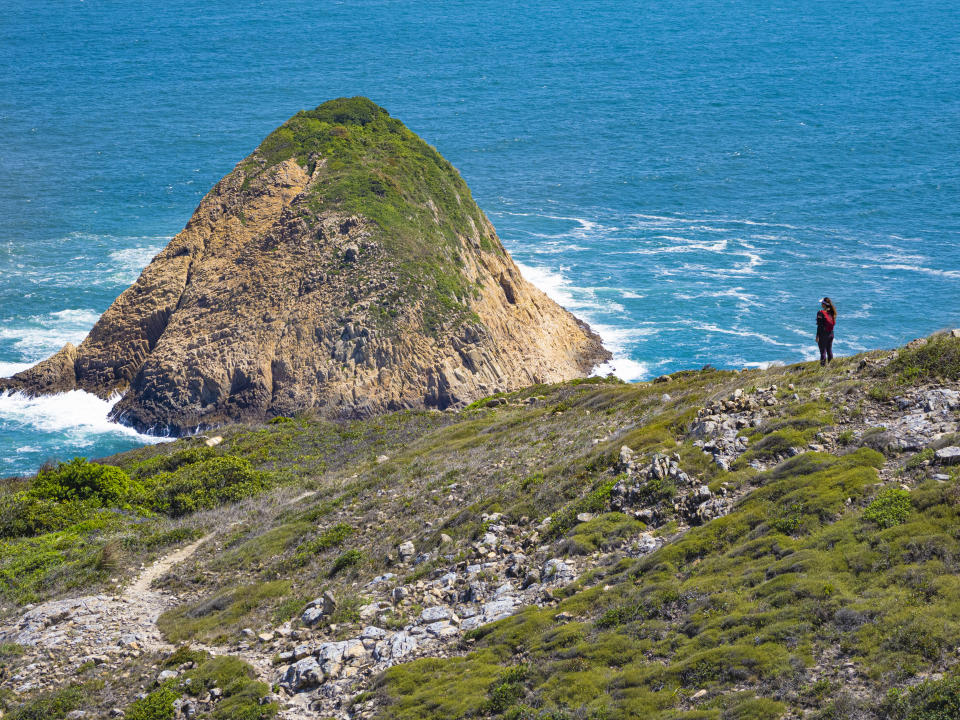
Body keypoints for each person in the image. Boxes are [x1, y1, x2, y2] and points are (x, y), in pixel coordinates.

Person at [816, 297, 837, 366]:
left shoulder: (820, 313)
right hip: (831, 334)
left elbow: (819, 326)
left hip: (823, 334)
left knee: (823, 352)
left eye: (822, 303)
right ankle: (831, 366)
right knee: (829, 350)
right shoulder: (832, 312)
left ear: (824, 304)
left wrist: (817, 336)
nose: (821, 304)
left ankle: (822, 368)